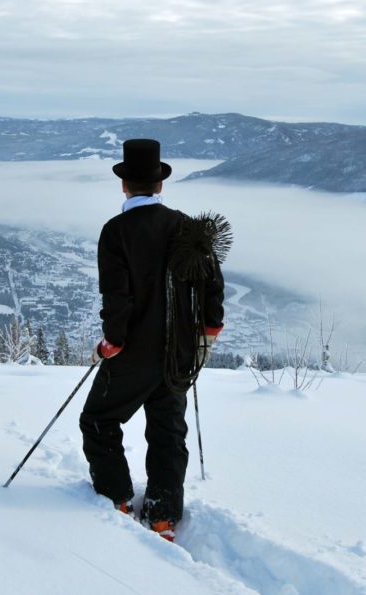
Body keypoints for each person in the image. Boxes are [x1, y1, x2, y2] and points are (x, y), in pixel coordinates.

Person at [79, 138, 225, 541]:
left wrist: (113, 341)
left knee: (98, 419)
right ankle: (162, 517)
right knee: (167, 430)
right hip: (177, 352)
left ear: (124, 186)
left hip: (133, 353)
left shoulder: (116, 232)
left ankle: (118, 499)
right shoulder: (187, 228)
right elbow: (213, 284)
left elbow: (117, 296)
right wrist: (208, 331)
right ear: (160, 185)